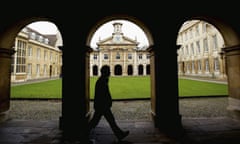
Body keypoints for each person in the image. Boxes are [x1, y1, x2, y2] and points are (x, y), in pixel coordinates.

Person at [88, 65, 129, 141]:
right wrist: (107, 102)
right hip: (102, 106)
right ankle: (83, 132)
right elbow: (102, 95)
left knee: (107, 120)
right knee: (97, 121)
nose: (110, 72)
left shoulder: (102, 80)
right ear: (105, 72)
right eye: (108, 71)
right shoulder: (102, 81)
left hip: (102, 106)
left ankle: (120, 134)